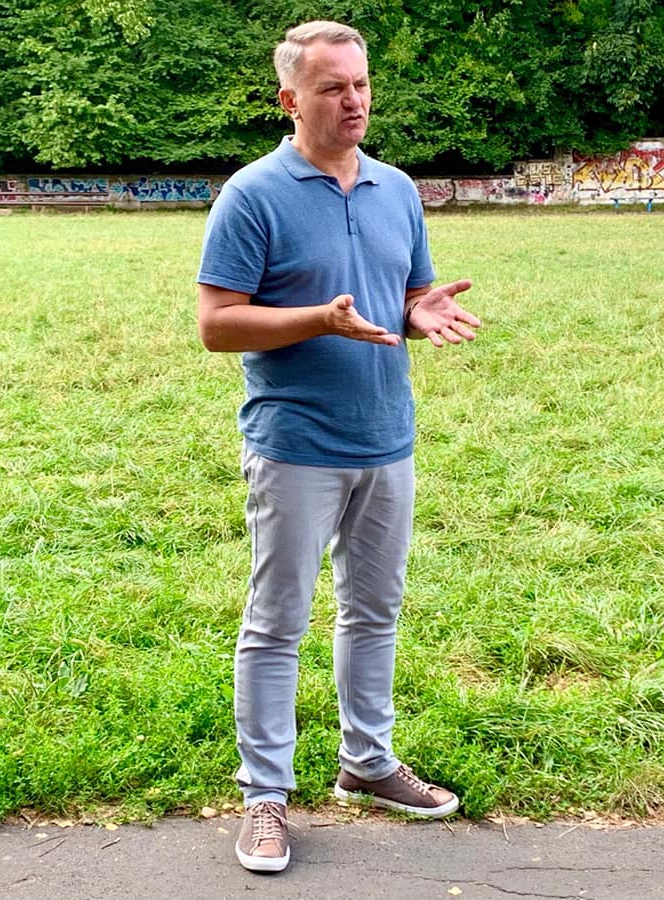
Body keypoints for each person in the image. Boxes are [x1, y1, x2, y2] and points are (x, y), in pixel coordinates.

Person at [196, 20, 481, 874]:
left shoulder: (397, 189)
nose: (353, 101)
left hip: (387, 437)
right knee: (277, 622)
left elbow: (406, 295)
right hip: (296, 442)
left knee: (374, 610)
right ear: (291, 99)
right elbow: (217, 324)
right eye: (333, 88)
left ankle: (368, 762)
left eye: (360, 84)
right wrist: (319, 319)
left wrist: (419, 312)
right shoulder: (252, 195)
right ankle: (265, 795)